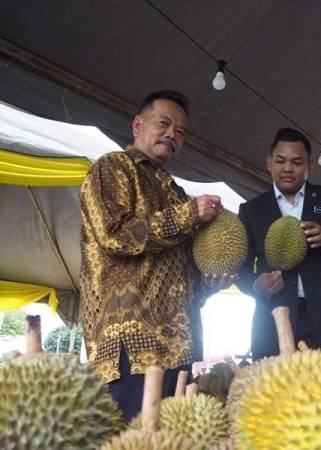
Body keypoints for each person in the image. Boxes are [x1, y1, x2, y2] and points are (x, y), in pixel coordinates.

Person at [79, 90, 234, 421]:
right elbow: (114, 235)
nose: (172, 135)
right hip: (129, 345)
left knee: (172, 440)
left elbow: (179, 277)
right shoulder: (114, 167)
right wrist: (188, 214)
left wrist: (208, 283)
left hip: (179, 347)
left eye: (180, 131)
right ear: (138, 124)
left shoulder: (176, 193)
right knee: (129, 437)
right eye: (164, 123)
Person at [237, 128, 321, 360]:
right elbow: (239, 267)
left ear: (310, 166)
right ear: (269, 163)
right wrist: (256, 285)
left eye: (296, 162)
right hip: (273, 322)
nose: (288, 168)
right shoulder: (251, 210)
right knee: (276, 393)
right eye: (280, 161)